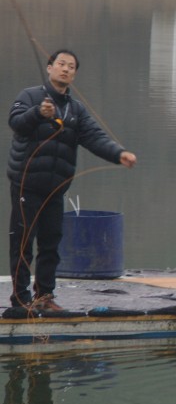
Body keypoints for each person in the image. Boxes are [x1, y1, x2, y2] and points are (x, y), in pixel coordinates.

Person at [7, 49, 137, 311]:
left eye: (71, 67)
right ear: (49, 67)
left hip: (55, 188)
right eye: (61, 64)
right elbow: (16, 123)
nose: (66, 69)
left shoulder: (76, 110)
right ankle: (20, 300)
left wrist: (119, 154)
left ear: (74, 74)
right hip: (26, 184)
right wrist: (38, 113)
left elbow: (95, 137)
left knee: (51, 243)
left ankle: (44, 297)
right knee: (22, 243)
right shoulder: (29, 96)